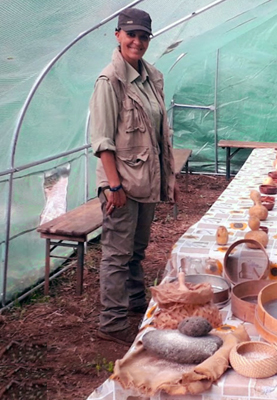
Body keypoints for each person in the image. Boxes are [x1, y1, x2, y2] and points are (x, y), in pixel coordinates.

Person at [89, 8, 176, 345]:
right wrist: (113, 187)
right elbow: (102, 140)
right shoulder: (110, 81)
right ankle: (112, 323)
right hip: (120, 184)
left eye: (143, 36)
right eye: (131, 35)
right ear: (118, 35)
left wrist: (170, 178)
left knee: (137, 249)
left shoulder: (152, 76)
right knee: (116, 254)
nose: (137, 41)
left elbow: (159, 135)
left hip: (147, 180)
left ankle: (136, 304)